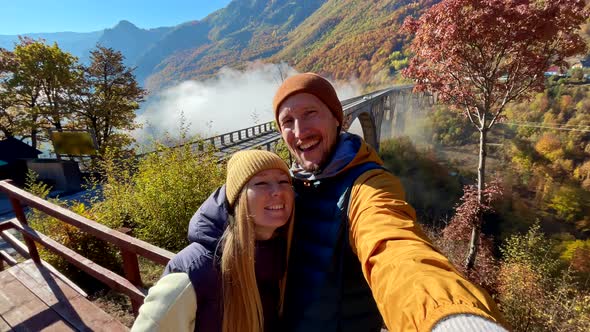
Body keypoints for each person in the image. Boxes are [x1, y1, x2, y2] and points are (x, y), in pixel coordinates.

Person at [271, 73, 508, 332]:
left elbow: (395, 248)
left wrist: (447, 317)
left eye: (310, 113)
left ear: (336, 118)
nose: (300, 131)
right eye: (288, 121)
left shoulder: (369, 185)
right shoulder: (287, 185)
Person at [131, 150, 294, 332]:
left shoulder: (283, 256)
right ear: (237, 199)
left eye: (284, 181)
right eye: (261, 182)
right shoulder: (192, 276)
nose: (277, 191)